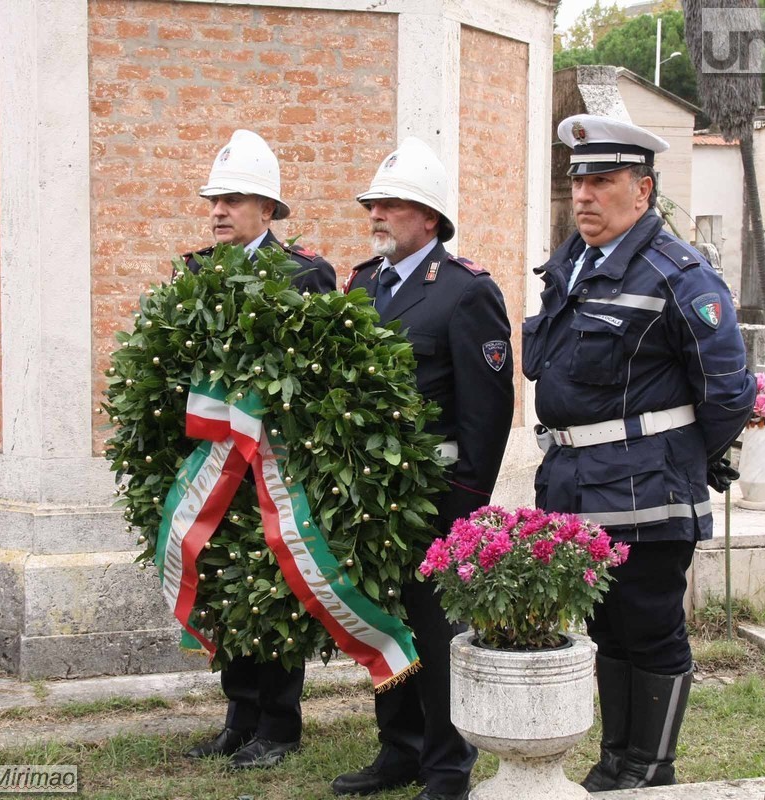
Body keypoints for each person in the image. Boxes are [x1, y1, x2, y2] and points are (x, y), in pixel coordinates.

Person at [523, 113, 755, 790]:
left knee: (650, 627)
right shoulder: (570, 263)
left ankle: (649, 770)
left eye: (603, 180)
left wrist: (676, 460)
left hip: (647, 490)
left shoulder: (677, 274)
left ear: (644, 191)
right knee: (608, 631)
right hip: (575, 483)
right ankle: (614, 761)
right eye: (578, 181)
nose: (585, 196)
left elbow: (728, 390)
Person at [331, 137, 514, 800]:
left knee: (437, 638)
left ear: (430, 218)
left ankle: (445, 766)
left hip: (438, 496)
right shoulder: (362, 284)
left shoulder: (464, 292)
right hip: (374, 498)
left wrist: (466, 506)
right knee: (385, 626)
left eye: (393, 205)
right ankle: (399, 748)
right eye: (373, 204)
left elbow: (487, 412)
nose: (376, 213)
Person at [182, 129, 336, 768]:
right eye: (215, 199)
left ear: (268, 209)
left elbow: (322, 374)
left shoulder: (307, 274)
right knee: (226, 585)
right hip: (216, 465)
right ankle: (240, 714)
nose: (219, 210)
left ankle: (280, 723)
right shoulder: (194, 271)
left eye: (235, 199)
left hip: (277, 465)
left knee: (275, 589)